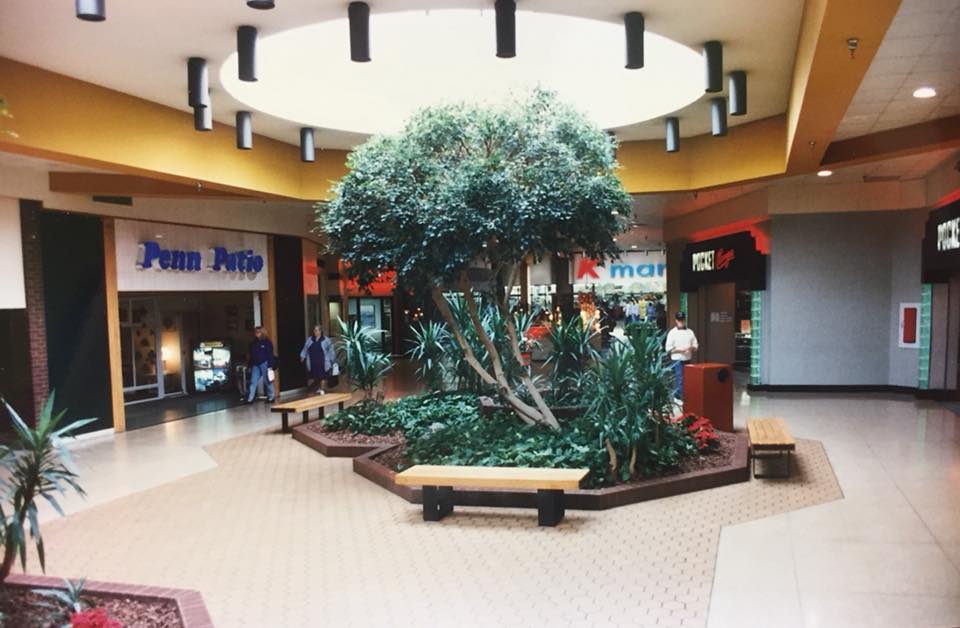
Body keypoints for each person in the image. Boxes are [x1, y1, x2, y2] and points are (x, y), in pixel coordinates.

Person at [664, 312, 698, 400]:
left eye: (682, 320)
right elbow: (668, 349)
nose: (681, 322)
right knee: (680, 378)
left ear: (685, 320)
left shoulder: (690, 332)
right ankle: (683, 397)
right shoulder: (672, 333)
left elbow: (696, 345)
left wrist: (691, 348)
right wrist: (680, 350)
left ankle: (679, 395)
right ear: (676, 321)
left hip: (687, 358)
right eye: (679, 320)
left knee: (687, 378)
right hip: (677, 359)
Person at [300, 324, 335, 395]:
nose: (315, 332)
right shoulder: (310, 339)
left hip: (322, 361)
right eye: (314, 330)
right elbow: (305, 348)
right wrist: (302, 356)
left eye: (316, 330)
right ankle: (311, 390)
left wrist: (332, 359)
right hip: (312, 361)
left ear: (320, 331)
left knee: (323, 376)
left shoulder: (326, 339)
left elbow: (331, 350)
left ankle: (322, 389)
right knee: (312, 376)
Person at [246, 326, 276, 403]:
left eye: (258, 332)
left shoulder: (267, 342)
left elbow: (270, 355)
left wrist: (270, 366)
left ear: (262, 333)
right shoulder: (253, 343)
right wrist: (249, 366)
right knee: (253, 381)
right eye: (255, 332)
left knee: (267, 381)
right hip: (255, 364)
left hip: (265, 363)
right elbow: (251, 355)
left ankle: (271, 397)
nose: (256, 333)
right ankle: (250, 399)